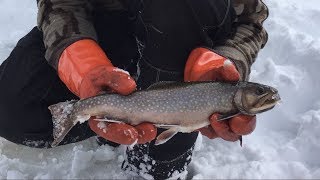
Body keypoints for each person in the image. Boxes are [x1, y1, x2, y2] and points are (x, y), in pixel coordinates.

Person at [0, 0, 268, 179]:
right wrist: (83, 66)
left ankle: (158, 164)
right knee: (10, 107)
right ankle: (107, 117)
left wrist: (227, 60)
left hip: (183, 41)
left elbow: (251, 19)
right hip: (103, 31)